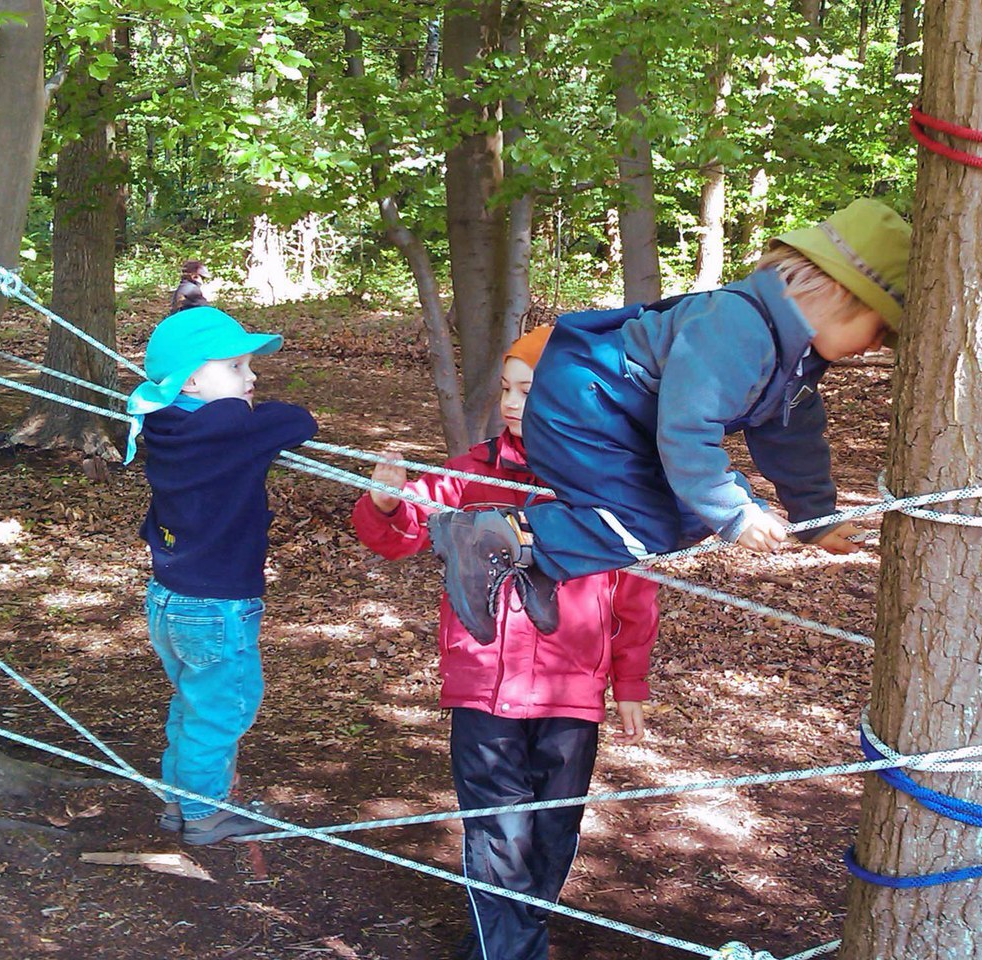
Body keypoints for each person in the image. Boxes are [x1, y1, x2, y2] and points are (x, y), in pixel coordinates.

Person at [428, 199, 912, 644]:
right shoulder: (738, 327)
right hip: (584, 406)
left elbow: (793, 439)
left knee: (687, 514)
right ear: (833, 291)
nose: (875, 346)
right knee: (648, 523)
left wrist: (813, 519)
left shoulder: (796, 358)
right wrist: (737, 514)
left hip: (621, 422)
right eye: (879, 327)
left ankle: (541, 562)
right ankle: (493, 536)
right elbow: (686, 429)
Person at [351, 325, 658, 960]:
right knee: (498, 829)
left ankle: (509, 940)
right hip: (483, 686)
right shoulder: (467, 473)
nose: (513, 403)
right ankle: (510, 951)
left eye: (531, 390)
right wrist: (385, 504)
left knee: (551, 829)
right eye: (509, 389)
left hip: (571, 690)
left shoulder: (607, 490)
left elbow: (634, 595)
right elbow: (405, 529)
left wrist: (629, 682)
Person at [125, 306, 318, 844]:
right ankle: (205, 814)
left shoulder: (162, 420)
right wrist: (249, 413)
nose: (250, 377)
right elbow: (299, 421)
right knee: (223, 708)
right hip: (216, 606)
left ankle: (179, 802)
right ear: (191, 379)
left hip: (168, 598)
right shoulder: (229, 426)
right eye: (235, 367)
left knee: (193, 702)